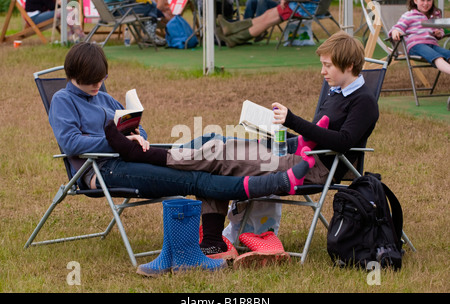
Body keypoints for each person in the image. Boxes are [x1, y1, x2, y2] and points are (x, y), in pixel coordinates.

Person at [104, 31, 380, 257]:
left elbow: (343, 142)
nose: (322, 71)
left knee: (220, 154)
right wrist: (275, 139)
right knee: (219, 142)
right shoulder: (337, 91)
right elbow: (315, 134)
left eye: (327, 65)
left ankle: (143, 153)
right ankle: (213, 241)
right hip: (298, 153)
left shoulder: (363, 102)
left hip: (315, 167)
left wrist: (292, 121)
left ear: (349, 65)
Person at [48, 42, 314, 261]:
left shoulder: (103, 98)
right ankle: (273, 180)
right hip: (104, 170)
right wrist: (117, 141)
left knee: (212, 141)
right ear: (74, 76)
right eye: (91, 82)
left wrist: (137, 136)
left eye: (101, 79)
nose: (97, 86)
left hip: (136, 154)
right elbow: (71, 142)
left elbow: (141, 131)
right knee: (195, 176)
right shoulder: (63, 100)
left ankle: (284, 153)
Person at [216, 0, 319, 47]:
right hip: (296, 6)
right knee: (266, 14)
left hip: (301, 8)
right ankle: (232, 31)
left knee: (265, 21)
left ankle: (233, 37)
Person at [389, 0, 450, 74]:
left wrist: (439, 33)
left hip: (432, 45)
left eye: (429, 0)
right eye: (422, 0)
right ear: (415, 1)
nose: (426, 3)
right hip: (416, 45)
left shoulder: (435, 16)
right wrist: (395, 31)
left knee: (448, 54)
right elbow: (398, 27)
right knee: (437, 57)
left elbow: (440, 30)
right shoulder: (409, 15)